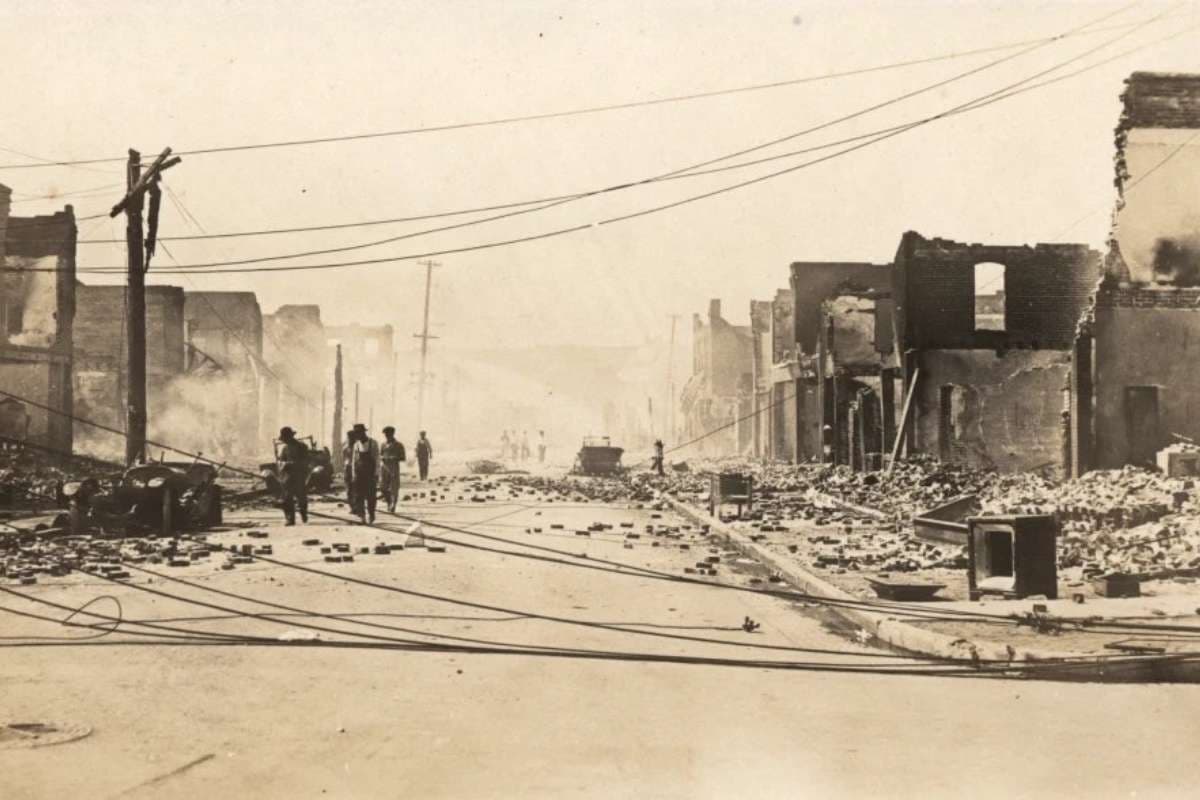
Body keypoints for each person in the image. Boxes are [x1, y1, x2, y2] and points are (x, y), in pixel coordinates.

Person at [276, 426, 310, 525]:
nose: (284, 440)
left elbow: (306, 461)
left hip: (299, 475)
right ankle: (290, 518)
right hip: (288, 477)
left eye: (285, 438)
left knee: (301, 497)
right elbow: (281, 460)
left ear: (290, 437)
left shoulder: (302, 447)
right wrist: (283, 464)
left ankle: (303, 513)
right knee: (287, 498)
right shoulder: (285, 449)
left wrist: (293, 464)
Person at [349, 423, 379, 524]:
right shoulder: (356, 445)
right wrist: (353, 475)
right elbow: (354, 461)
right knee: (359, 496)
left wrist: (376, 474)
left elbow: (377, 459)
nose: (357, 436)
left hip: (370, 474)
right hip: (359, 473)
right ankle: (362, 516)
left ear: (363, 432)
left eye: (359, 433)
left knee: (371, 496)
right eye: (356, 434)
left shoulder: (373, 443)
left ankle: (371, 514)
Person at [380, 426, 406, 513]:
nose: (387, 436)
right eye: (386, 434)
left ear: (392, 434)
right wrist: (382, 457)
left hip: (394, 468)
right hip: (384, 467)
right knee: (383, 488)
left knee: (394, 488)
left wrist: (394, 457)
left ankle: (393, 505)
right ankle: (389, 502)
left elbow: (403, 457)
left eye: (389, 434)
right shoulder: (383, 445)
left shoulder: (399, 445)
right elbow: (380, 455)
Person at [341, 429, 356, 508]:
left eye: (352, 437)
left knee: (355, 487)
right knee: (349, 487)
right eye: (349, 437)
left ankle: (355, 505)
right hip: (348, 467)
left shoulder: (357, 445)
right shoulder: (345, 446)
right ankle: (352, 505)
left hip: (356, 468)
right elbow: (343, 457)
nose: (350, 438)